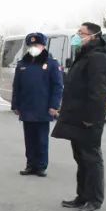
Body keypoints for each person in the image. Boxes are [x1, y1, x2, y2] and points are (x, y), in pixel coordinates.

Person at [52, 22, 106, 211]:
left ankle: (94, 199)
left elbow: (99, 92)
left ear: (94, 36)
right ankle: (82, 196)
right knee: (80, 157)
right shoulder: (84, 55)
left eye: (81, 33)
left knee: (91, 158)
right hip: (76, 115)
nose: (77, 36)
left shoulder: (99, 58)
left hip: (88, 118)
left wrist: (91, 118)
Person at [11, 32, 64, 177]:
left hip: (43, 107)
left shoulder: (51, 64)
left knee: (41, 139)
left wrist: (54, 105)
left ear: (43, 46)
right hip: (27, 107)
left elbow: (58, 87)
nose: (34, 47)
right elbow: (17, 86)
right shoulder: (23, 64)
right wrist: (15, 105)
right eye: (32, 45)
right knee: (29, 139)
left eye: (37, 45)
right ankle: (30, 164)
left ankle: (41, 166)